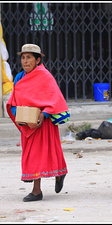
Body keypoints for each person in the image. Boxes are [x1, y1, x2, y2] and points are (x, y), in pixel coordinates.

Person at [6, 44, 69, 202]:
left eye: (29, 57)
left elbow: (54, 98)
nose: (25, 61)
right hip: (27, 123)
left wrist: (44, 114)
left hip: (43, 122)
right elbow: (13, 101)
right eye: (23, 57)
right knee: (32, 154)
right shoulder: (20, 77)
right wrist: (18, 116)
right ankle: (59, 173)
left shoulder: (45, 76)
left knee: (42, 154)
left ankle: (37, 191)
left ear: (38, 60)